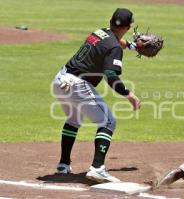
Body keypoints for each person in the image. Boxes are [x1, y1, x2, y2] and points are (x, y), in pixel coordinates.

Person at [52, 8, 141, 183]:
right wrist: (129, 94)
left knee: (73, 120)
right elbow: (111, 75)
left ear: (111, 21)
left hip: (60, 80)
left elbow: (116, 39)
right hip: (78, 86)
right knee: (108, 121)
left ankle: (63, 165)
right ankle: (97, 168)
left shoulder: (101, 31)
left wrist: (132, 45)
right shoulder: (114, 48)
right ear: (129, 26)